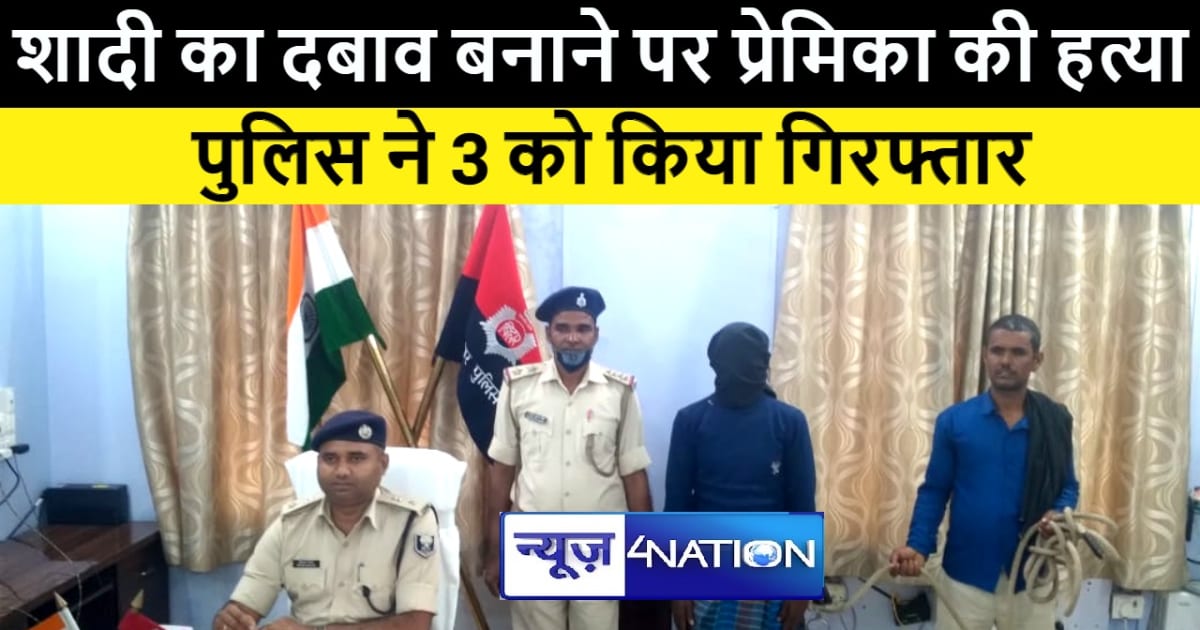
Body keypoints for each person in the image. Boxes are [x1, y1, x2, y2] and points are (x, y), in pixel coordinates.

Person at [889, 314, 1080, 630]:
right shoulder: (955, 422)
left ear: (1037, 360)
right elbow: (935, 491)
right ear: (984, 355)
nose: (1006, 361)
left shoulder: (1055, 421)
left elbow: (1068, 486)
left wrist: (1059, 513)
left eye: (1018, 352)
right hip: (965, 577)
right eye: (997, 350)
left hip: (1031, 579)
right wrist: (918, 546)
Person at [484, 286, 654, 630]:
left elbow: (634, 475)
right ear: (549, 334)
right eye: (563, 328)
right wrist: (494, 548)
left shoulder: (619, 393)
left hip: (598, 542)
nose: (573, 339)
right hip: (533, 540)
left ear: (595, 334)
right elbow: (501, 472)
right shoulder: (518, 387)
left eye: (582, 329)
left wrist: (645, 553)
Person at [213, 410, 441, 630]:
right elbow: (244, 606)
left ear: (383, 464)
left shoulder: (412, 523)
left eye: (356, 458)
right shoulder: (291, 524)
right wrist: (231, 620)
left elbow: (415, 625)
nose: (342, 471)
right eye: (330, 459)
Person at [664, 322, 817, 630]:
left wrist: (803, 584)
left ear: (765, 363)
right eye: (737, 361)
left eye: (754, 361)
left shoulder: (789, 421)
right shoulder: (691, 420)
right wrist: (676, 586)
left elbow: (803, 506)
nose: (745, 370)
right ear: (716, 365)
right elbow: (676, 506)